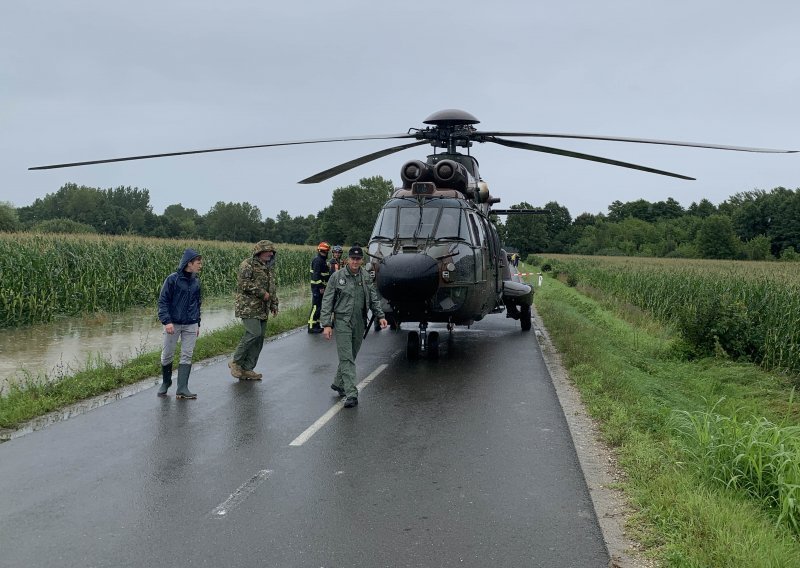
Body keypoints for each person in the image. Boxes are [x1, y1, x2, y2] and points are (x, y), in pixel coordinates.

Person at [320, 245, 388, 408]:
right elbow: (327, 300)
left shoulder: (365, 276)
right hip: (343, 320)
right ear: (348, 259)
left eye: (358, 259)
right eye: (353, 258)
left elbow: (372, 297)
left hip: (360, 320)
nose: (355, 261)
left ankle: (338, 383)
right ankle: (351, 393)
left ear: (361, 260)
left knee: (351, 355)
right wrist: (327, 324)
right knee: (346, 357)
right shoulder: (337, 277)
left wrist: (380, 315)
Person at [229, 240, 279, 380]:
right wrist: (262, 293)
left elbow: (272, 288)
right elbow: (243, 283)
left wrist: (274, 304)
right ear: (259, 251)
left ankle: (248, 368)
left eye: (272, 251)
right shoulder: (248, 264)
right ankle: (236, 362)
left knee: (260, 338)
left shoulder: (268, 267)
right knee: (254, 332)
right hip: (248, 306)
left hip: (263, 308)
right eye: (267, 251)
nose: (270, 253)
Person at [157, 248, 203, 399]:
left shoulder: (196, 281)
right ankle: (166, 382)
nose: (200, 265)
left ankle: (182, 388)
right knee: (167, 355)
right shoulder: (172, 279)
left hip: (191, 324)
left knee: (187, 355)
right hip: (173, 324)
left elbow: (198, 303)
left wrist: (197, 323)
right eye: (198, 262)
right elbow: (163, 301)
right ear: (189, 263)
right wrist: (167, 321)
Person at [308, 241, 331, 333]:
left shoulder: (322, 260)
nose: (324, 253)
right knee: (315, 307)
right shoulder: (318, 261)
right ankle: (311, 326)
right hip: (317, 288)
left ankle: (316, 325)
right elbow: (316, 275)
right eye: (322, 251)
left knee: (319, 307)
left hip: (321, 288)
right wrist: (321, 287)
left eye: (325, 251)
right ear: (319, 251)